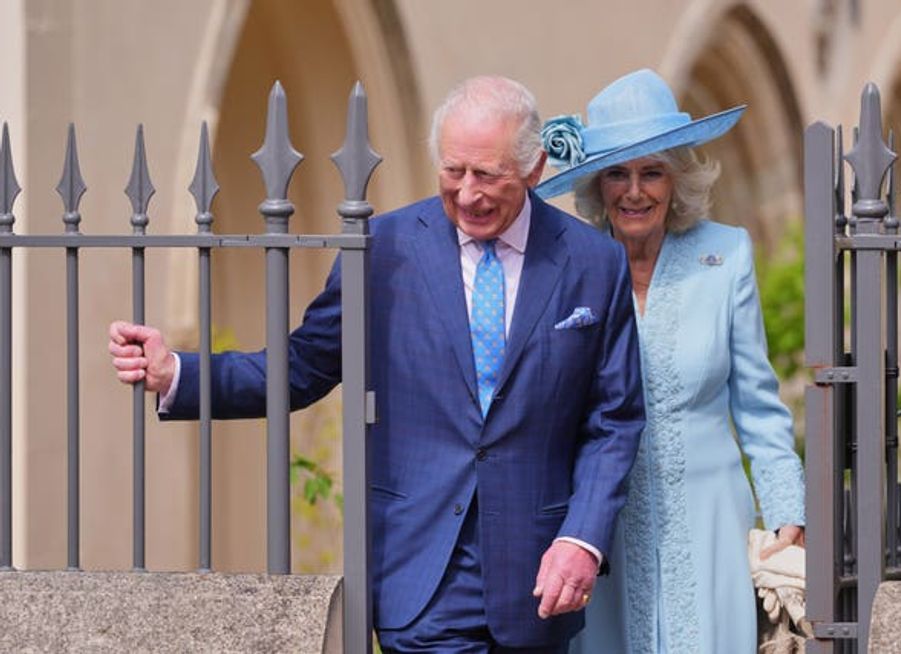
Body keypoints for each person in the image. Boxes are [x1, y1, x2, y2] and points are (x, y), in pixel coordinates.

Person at [108, 76, 644, 653]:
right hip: (420, 573)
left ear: (535, 169)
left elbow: (614, 419)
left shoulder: (594, 263)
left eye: (488, 175)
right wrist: (179, 376)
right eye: (453, 171)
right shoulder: (382, 248)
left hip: (538, 577)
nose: (467, 194)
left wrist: (582, 539)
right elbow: (301, 367)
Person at [535, 69, 806, 654]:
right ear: (597, 185)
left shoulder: (725, 254)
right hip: (603, 523)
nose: (635, 191)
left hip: (711, 517)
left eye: (651, 172)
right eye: (618, 173)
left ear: (677, 178)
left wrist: (787, 509)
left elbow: (758, 404)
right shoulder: (573, 266)